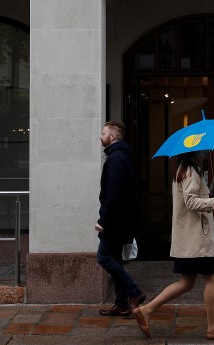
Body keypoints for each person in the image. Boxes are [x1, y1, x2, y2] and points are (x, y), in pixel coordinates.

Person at [133, 150, 214, 340]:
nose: (205, 153)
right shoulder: (191, 171)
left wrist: (209, 189)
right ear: (194, 152)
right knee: (212, 279)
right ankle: (213, 328)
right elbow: (191, 202)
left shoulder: (185, 169)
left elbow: (193, 197)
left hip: (190, 239)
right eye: (202, 150)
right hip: (196, 239)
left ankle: (146, 310)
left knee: (186, 282)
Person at [95, 120, 146, 316]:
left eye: (103, 133)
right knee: (114, 257)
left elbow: (113, 194)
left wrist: (103, 220)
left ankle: (134, 293)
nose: (100, 136)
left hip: (115, 220)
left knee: (104, 257)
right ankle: (121, 303)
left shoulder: (116, 158)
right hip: (121, 219)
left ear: (113, 136)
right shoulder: (120, 156)